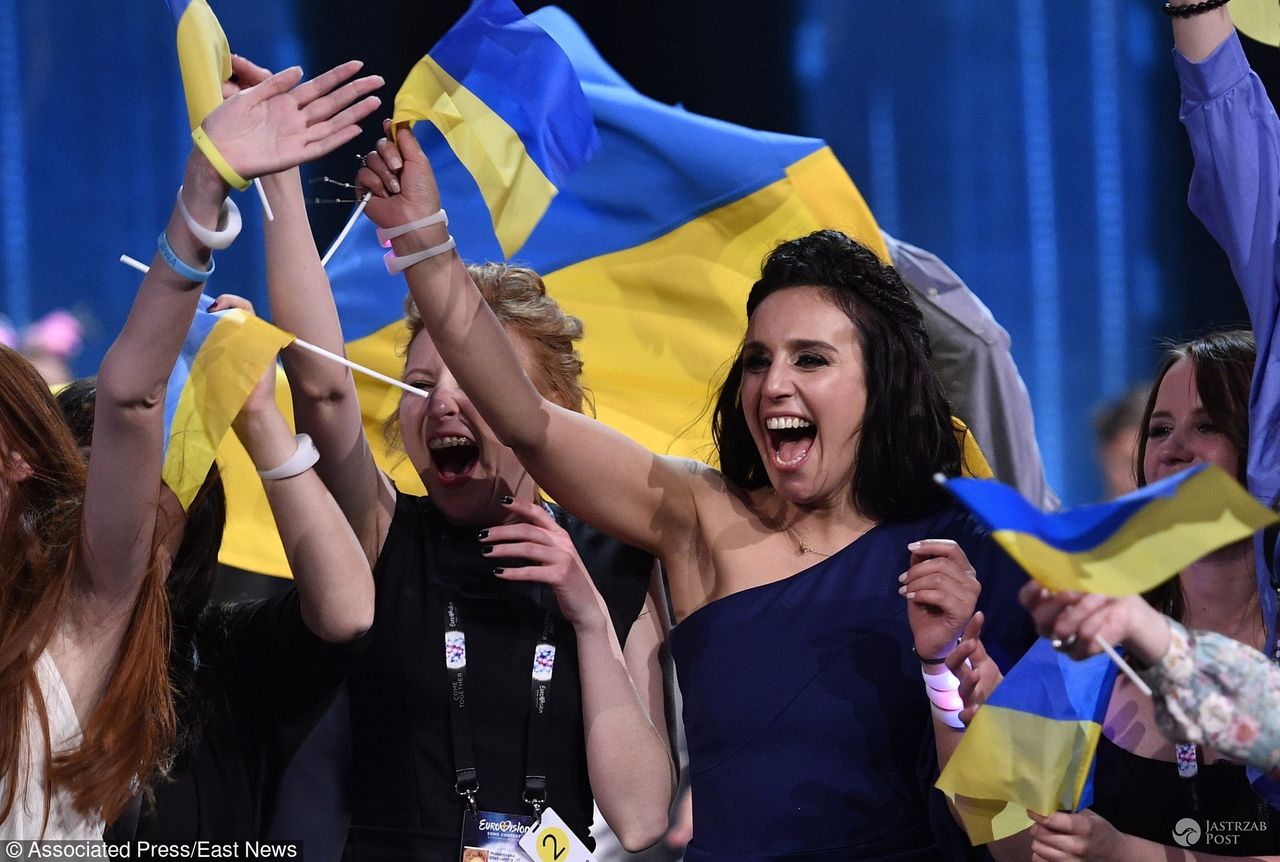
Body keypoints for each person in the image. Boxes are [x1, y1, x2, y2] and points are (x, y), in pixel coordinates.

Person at [354, 126, 1035, 860]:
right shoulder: (700, 520)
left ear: (882, 385)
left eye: (811, 359)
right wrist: (425, 244)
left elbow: (1014, 843)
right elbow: (527, 420)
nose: (773, 384)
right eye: (757, 361)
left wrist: (945, 679)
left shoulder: (971, 555)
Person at [242, 57, 674, 858]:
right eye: (417, 383)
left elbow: (644, 816)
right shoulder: (380, 534)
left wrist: (583, 614)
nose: (440, 402)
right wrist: (280, 180)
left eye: (472, 380)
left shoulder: (617, 562)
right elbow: (324, 388)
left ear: (549, 411)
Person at [0, 59, 381, 839]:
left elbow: (132, 399)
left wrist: (207, 191)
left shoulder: (99, 626)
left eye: (161, 493)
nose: (145, 509)